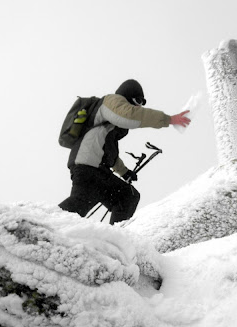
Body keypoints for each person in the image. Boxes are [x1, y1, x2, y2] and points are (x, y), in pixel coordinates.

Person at [58, 79, 191, 224]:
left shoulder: (109, 126)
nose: (139, 106)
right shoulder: (111, 101)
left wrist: (124, 172)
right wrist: (169, 119)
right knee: (81, 202)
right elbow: (130, 115)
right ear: (128, 95)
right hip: (88, 166)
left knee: (127, 196)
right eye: (138, 101)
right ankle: (48, 222)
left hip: (97, 169)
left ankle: (114, 238)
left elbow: (110, 152)